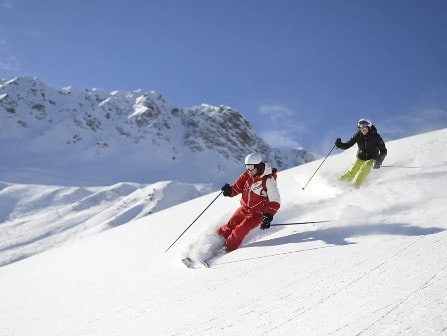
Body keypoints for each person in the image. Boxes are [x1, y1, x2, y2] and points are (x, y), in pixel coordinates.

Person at [216, 153, 281, 252]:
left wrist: (268, 216)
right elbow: (236, 188)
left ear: (258, 166)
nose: (248, 170)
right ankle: (213, 243)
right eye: (247, 167)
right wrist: (229, 191)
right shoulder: (247, 175)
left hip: (257, 213)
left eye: (251, 167)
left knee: (239, 231)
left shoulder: (268, 180)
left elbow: (275, 200)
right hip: (244, 209)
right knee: (229, 226)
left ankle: (224, 250)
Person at [335, 118, 387, 188]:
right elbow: (347, 145)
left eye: (364, 128)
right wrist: (340, 145)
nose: (363, 130)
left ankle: (354, 186)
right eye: (361, 128)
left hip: (372, 158)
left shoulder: (376, 137)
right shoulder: (358, 135)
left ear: (369, 127)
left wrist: (379, 162)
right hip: (360, 157)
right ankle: (337, 183)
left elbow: (383, 151)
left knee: (365, 168)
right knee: (352, 172)